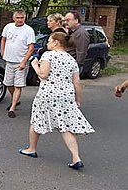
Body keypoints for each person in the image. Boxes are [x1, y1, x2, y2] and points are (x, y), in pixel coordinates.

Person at [19, 32, 94, 170]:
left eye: (49, 40)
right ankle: (76, 158)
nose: (47, 43)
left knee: (36, 120)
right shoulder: (71, 60)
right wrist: (78, 99)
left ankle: (31, 149)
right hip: (66, 96)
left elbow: (43, 74)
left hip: (48, 95)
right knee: (65, 126)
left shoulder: (48, 55)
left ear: (56, 43)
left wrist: (35, 64)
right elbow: (77, 82)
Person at [0, 10, 35, 118]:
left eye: (22, 18)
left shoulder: (28, 30)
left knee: (18, 85)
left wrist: (24, 61)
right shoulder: (8, 27)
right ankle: (15, 99)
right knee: (8, 83)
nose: (20, 20)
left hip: (21, 61)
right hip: (9, 60)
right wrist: (2, 52)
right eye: (18, 18)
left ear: (24, 18)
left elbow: (31, 48)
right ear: (13, 18)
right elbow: (3, 39)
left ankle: (12, 107)